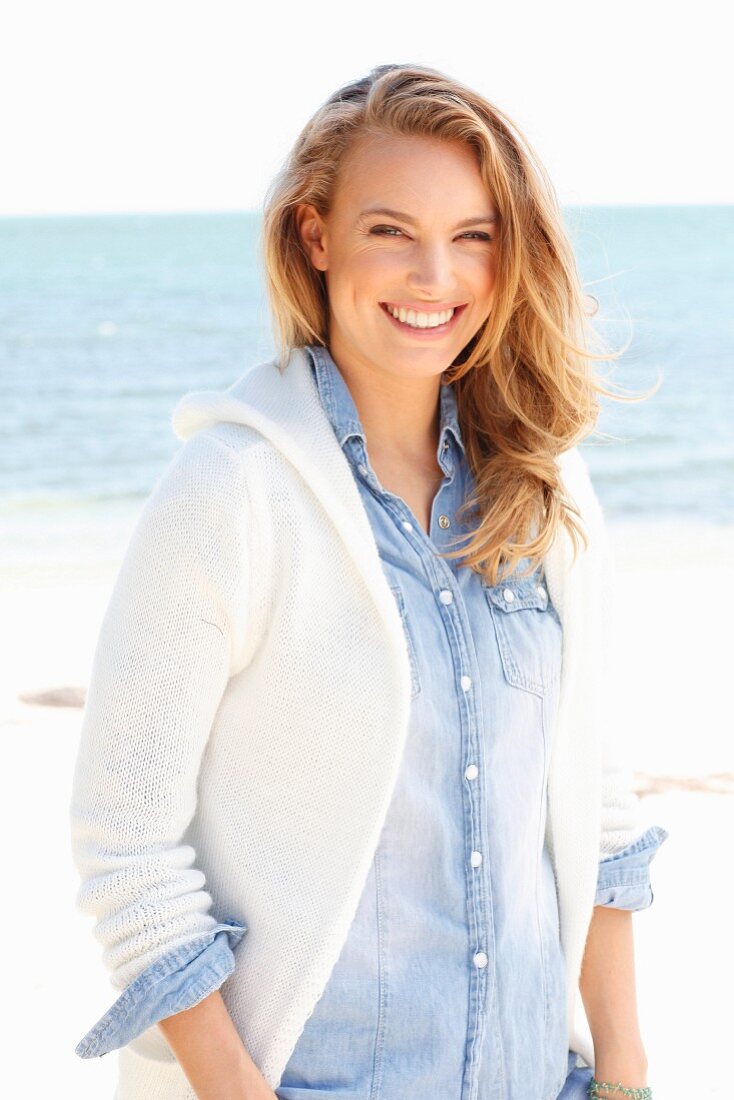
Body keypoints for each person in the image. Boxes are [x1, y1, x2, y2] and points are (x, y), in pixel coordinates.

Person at [69, 63, 667, 1100]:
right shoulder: (231, 492)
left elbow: (591, 801)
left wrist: (621, 1070)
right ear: (315, 236)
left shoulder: (543, 490)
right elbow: (127, 849)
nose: (433, 275)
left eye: (472, 235)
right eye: (390, 230)